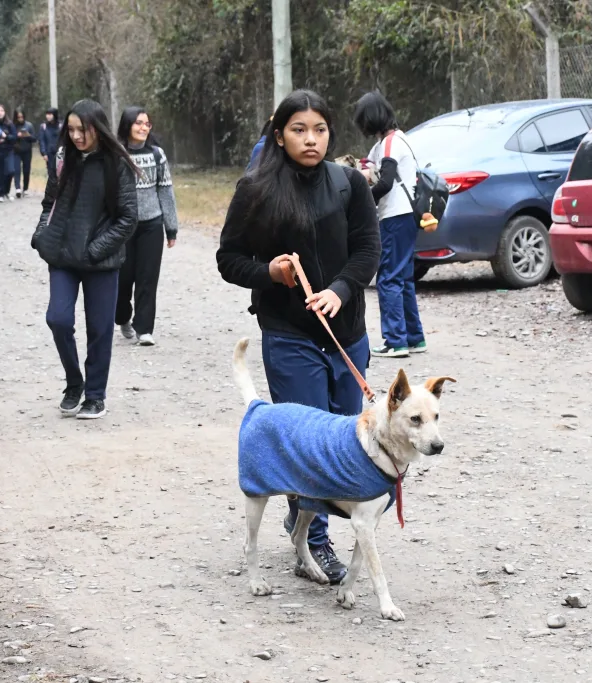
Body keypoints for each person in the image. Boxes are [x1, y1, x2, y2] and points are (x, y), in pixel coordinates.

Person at [216, 89, 381, 585]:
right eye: (298, 130)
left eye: (320, 130)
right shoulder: (255, 190)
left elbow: (368, 250)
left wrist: (340, 289)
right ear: (279, 134)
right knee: (309, 443)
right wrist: (269, 271)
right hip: (289, 335)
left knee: (347, 436)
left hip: (347, 333)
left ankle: (303, 517)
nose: (311, 140)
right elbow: (229, 259)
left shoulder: (349, 183)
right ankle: (314, 541)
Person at [31, 99, 138, 420]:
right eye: (72, 130)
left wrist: (95, 249)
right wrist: (42, 236)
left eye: (83, 130)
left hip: (100, 261)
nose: (76, 136)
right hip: (62, 256)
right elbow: (49, 202)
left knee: (100, 329)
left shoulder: (117, 162)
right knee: (58, 319)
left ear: (98, 129)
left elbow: (128, 218)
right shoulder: (63, 159)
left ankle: (95, 395)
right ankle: (74, 383)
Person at [354, 91, 426, 358]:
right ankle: (414, 337)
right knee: (403, 278)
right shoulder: (399, 139)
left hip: (394, 216)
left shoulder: (389, 143)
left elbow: (384, 182)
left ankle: (395, 340)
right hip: (407, 216)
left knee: (388, 278)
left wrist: (362, 201)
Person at [114, 106, 179, 346]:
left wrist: (171, 228)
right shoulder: (116, 154)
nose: (143, 127)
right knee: (123, 278)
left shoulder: (157, 155)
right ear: (127, 125)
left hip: (152, 224)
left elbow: (166, 190)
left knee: (147, 278)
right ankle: (122, 317)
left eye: (147, 124)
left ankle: (144, 329)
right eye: (138, 123)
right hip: (122, 227)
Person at [0, 105, 17, 202]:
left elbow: (14, 138)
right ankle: (1, 193)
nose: (0, 112)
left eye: (2, 110)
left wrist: (6, 137)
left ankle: (6, 191)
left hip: (8, 151)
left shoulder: (10, 124)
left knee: (10, 171)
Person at [12, 108, 35, 199]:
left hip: (27, 151)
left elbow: (34, 139)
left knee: (26, 170)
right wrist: (16, 136)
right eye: (18, 117)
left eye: (22, 117)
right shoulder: (12, 126)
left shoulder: (29, 125)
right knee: (16, 169)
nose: (20, 118)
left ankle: (25, 189)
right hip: (16, 151)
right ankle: (17, 188)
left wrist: (28, 135)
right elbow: (10, 138)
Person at [39, 108, 61, 181]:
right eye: (47, 114)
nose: (48, 116)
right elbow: (42, 140)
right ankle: (53, 190)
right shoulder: (43, 126)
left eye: (50, 114)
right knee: (51, 172)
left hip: (60, 152)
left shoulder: (61, 125)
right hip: (49, 153)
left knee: (60, 172)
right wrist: (43, 153)